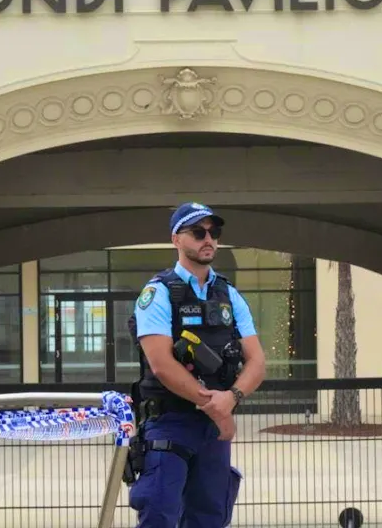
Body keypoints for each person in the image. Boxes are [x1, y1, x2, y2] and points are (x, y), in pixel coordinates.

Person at [127, 202, 266, 528]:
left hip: (213, 431)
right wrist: (216, 407)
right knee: (159, 516)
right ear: (176, 239)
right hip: (169, 421)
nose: (209, 239)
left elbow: (257, 362)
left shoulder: (229, 294)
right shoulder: (158, 293)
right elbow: (161, 363)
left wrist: (230, 398)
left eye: (214, 233)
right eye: (198, 232)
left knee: (210, 518)